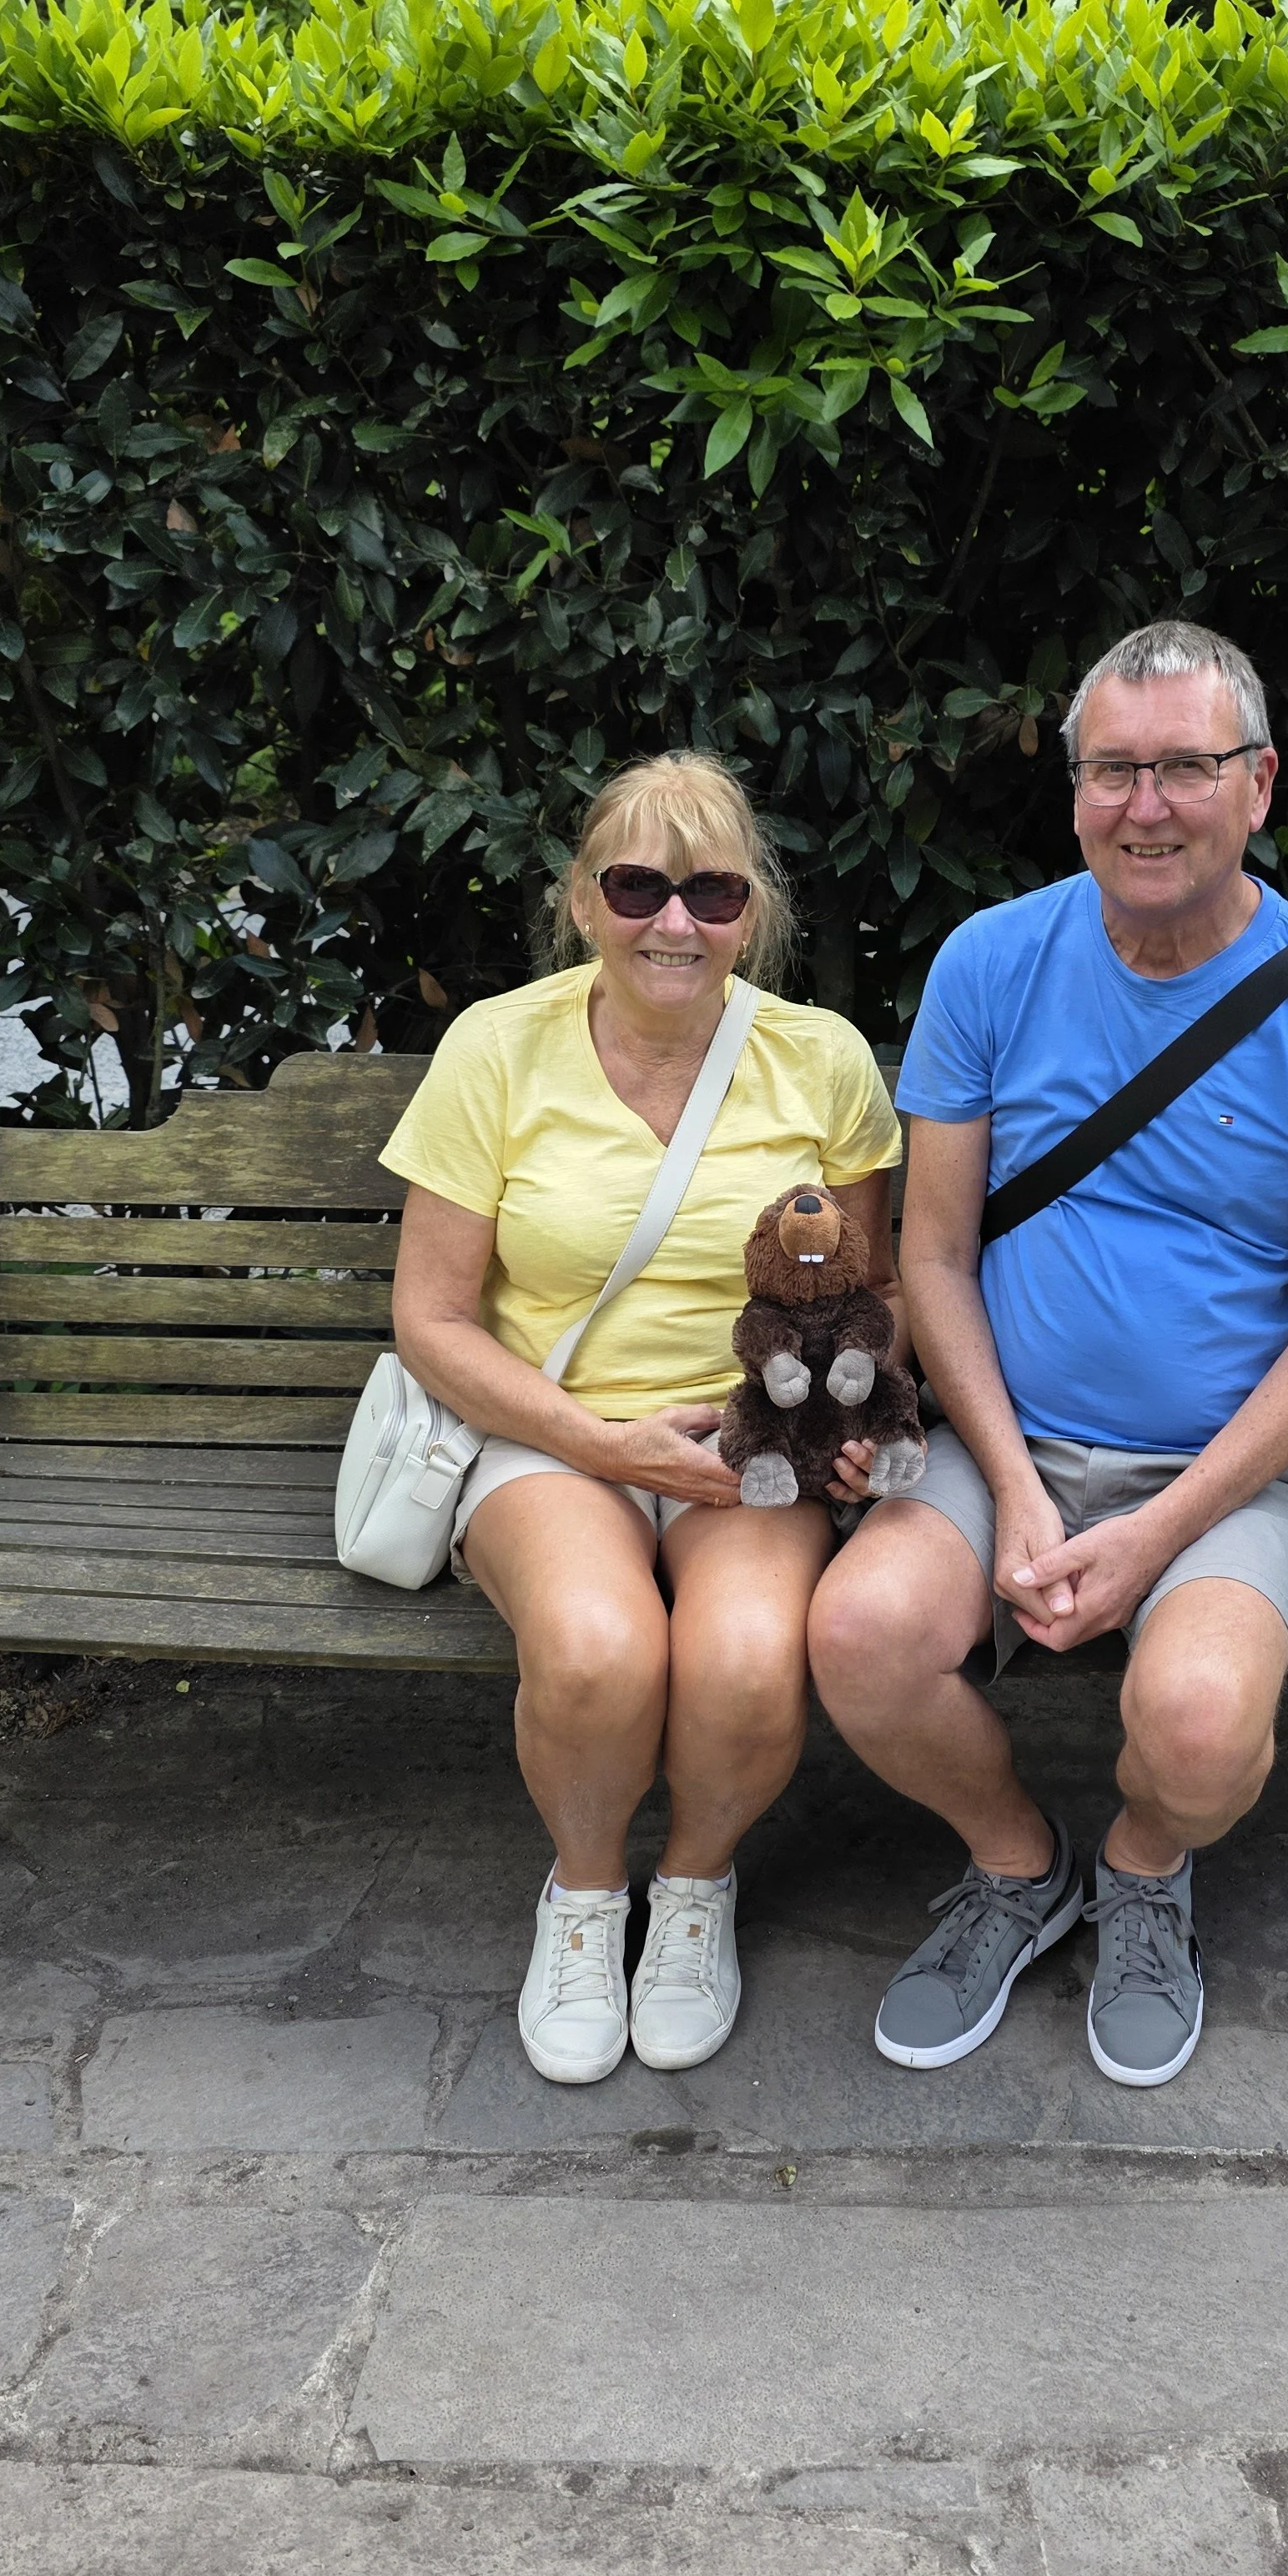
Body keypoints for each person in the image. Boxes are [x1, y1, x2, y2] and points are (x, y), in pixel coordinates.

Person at [808, 619, 1288, 2089]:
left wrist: (1155, 1532)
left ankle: (1145, 1873)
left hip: (1225, 1479)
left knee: (1201, 1727)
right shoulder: (990, 961)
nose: (1146, 805)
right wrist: (1018, 1493)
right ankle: (1022, 1868)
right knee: (859, 1637)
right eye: (1113, 771)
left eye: (1185, 769)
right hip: (996, 1441)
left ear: (1260, 784)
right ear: (1075, 787)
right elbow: (935, 1258)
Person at [382, 751, 903, 2086]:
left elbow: (872, 1289)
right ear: (580, 898)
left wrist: (846, 1413)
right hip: (551, 1435)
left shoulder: (820, 1060)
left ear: (753, 916)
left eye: (713, 894)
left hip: (753, 1443)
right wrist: (601, 1444)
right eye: (638, 886)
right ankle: (584, 1898)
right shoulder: (498, 1047)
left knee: (739, 1656)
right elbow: (433, 1320)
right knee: (602, 1646)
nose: (676, 923)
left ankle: (692, 1892)